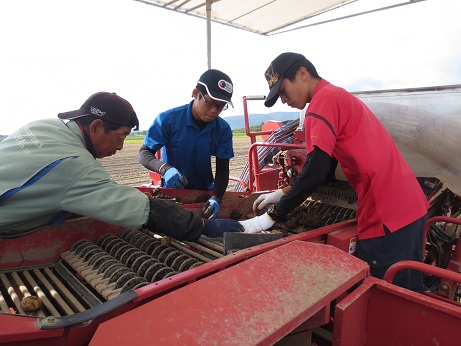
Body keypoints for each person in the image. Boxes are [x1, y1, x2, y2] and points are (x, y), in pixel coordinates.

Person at [238, 52, 429, 292]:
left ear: (303, 74)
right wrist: (282, 191)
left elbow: (316, 169)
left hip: (386, 214)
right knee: (409, 292)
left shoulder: (321, 103)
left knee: (386, 298)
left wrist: (271, 217)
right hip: (408, 207)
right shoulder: (336, 95)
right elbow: (326, 167)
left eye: (283, 91)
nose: (283, 100)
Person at [0, 92, 242, 240]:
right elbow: (139, 209)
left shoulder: (43, 125)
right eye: (121, 136)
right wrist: (201, 225)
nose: (120, 147)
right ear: (95, 127)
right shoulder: (76, 168)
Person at [138, 69, 234, 219]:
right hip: (173, 193)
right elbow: (144, 153)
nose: (214, 111)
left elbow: (222, 170)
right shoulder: (168, 120)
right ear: (195, 93)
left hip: (204, 194)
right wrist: (164, 169)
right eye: (209, 103)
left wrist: (217, 197)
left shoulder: (223, 129)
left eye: (221, 106)